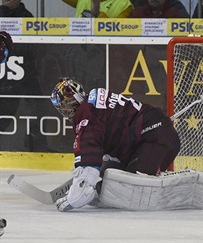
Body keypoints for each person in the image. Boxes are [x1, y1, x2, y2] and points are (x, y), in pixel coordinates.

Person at [50, 78, 181, 211]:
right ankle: (157, 175)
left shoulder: (87, 116)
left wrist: (76, 197)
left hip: (153, 140)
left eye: (62, 105)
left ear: (71, 102)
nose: (63, 110)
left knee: (130, 190)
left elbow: (89, 155)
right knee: (110, 172)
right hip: (156, 137)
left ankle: (174, 184)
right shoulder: (94, 102)